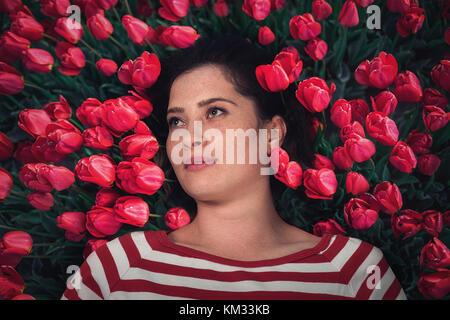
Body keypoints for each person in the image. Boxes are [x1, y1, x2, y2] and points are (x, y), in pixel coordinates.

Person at [61, 33, 407, 300]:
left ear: (271, 133)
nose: (190, 138)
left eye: (214, 112)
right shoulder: (117, 266)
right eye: (177, 121)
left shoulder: (355, 269)